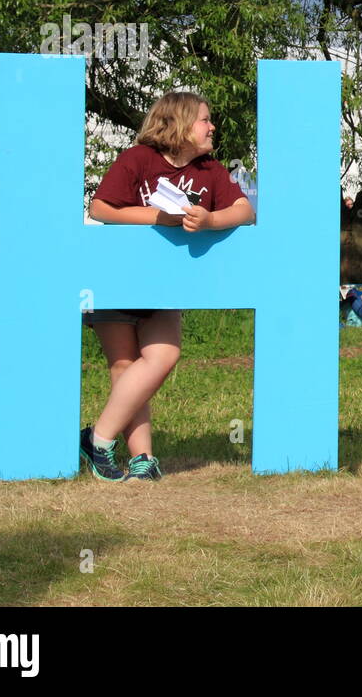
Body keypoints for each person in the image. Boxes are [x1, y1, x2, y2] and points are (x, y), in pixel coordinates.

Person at [82, 91, 256, 481]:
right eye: (205, 120)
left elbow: (244, 210)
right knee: (124, 366)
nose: (212, 127)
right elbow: (101, 208)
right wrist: (158, 217)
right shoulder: (136, 159)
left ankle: (97, 438)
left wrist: (211, 220)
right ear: (178, 124)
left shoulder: (210, 169)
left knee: (163, 356)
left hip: (166, 285)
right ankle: (142, 458)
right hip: (117, 277)